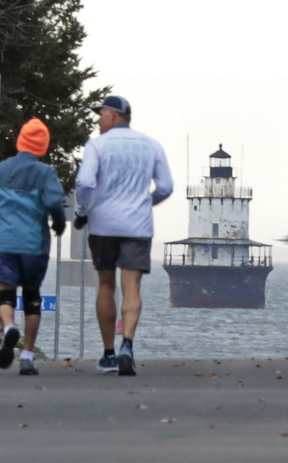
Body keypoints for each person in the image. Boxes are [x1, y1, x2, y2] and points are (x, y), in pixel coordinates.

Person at [73, 95, 173, 376]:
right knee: (132, 287)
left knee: (106, 285)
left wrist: (83, 210)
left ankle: (108, 354)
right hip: (137, 225)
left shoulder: (97, 145)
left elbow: (84, 181)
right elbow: (165, 186)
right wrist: (144, 203)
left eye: (101, 114)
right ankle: (127, 343)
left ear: (114, 116)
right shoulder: (152, 145)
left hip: (103, 224)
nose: (97, 120)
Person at [0, 118, 65, 376]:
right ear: (43, 146)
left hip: (4, 242)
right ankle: (27, 356)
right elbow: (54, 203)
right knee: (32, 298)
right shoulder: (45, 173)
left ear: (20, 141)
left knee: (6, 295)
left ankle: (8, 328)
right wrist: (59, 224)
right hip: (33, 244)